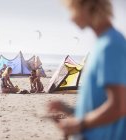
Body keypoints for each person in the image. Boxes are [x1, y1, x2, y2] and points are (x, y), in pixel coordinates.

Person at [48, 0, 126, 140]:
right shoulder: (102, 44)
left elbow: (118, 106)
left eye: (72, 10)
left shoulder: (111, 45)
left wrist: (79, 124)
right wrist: (69, 110)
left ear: (87, 6)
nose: (71, 18)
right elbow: (99, 104)